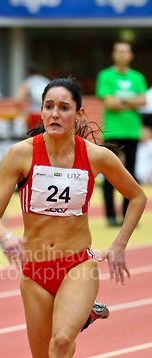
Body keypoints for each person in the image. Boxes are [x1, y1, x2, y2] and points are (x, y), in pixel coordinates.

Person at [0, 77, 146, 358]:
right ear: (41, 111)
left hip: (78, 264)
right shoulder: (22, 155)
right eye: (49, 106)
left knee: (61, 344)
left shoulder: (96, 157)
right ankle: (86, 316)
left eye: (63, 107)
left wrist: (120, 243)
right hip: (35, 271)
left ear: (77, 113)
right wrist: (6, 237)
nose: (55, 114)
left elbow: (138, 196)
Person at [96, 41, 147, 227]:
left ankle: (128, 215)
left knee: (131, 174)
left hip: (132, 131)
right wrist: (131, 101)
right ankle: (110, 215)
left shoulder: (137, 77)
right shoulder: (106, 75)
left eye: (126, 51)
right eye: (119, 51)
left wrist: (121, 101)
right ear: (113, 54)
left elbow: (143, 101)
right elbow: (109, 103)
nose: (122, 54)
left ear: (131, 55)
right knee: (109, 174)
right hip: (112, 132)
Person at [14, 62, 50, 131]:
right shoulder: (46, 81)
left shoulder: (28, 82)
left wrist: (23, 112)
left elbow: (18, 100)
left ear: (28, 72)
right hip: (47, 114)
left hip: (33, 114)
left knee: (33, 139)